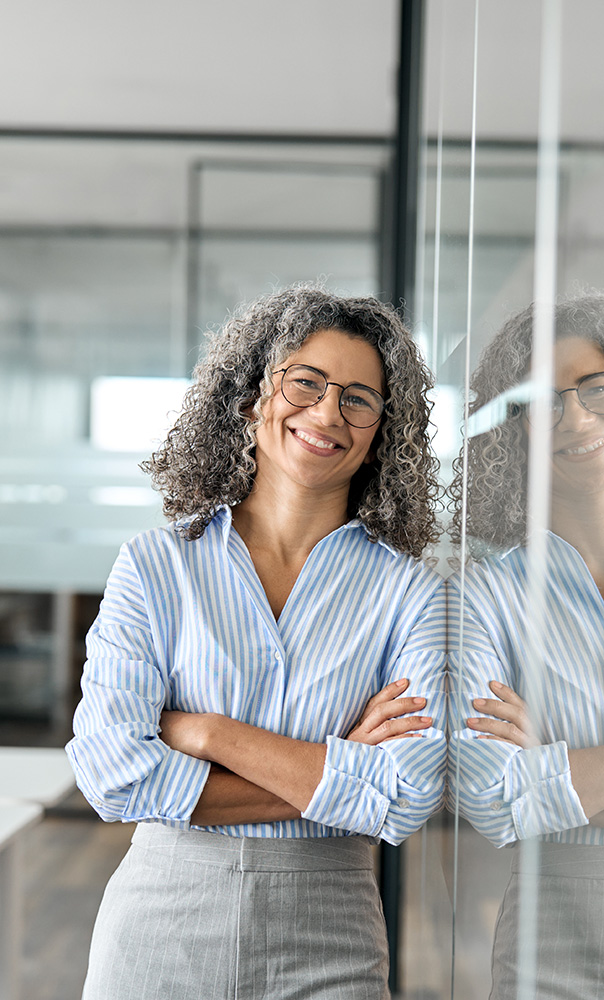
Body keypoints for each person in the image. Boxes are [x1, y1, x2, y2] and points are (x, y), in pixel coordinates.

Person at [66, 285, 447, 1000]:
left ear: (381, 433)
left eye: (359, 398)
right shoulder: (156, 566)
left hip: (331, 934)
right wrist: (341, 773)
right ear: (250, 398)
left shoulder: (411, 594)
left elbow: (403, 797)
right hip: (161, 924)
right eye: (305, 382)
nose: (328, 411)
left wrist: (205, 732)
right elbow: (116, 775)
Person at [447, 294, 604, 999]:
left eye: (595, 388)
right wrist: (530, 778)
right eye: (546, 400)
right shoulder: (488, 595)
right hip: (557, 932)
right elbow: (496, 798)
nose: (576, 416)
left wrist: (562, 766)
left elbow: (536, 787)